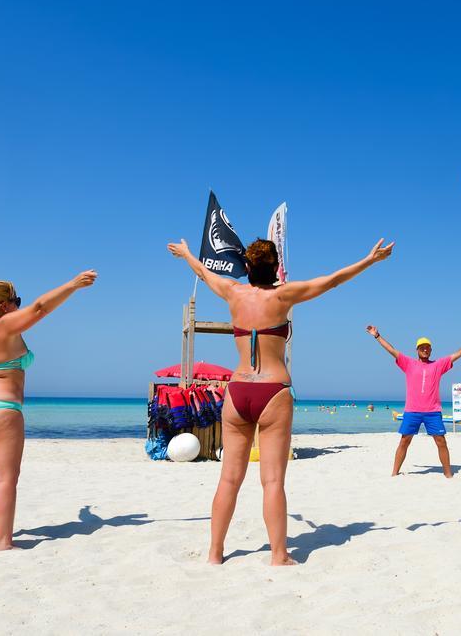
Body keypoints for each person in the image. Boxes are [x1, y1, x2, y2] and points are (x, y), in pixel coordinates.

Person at [168, 236, 393, 564]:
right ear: (275, 268)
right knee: (272, 480)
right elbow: (331, 281)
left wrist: (187, 252)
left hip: (238, 391)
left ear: (246, 267)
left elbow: (204, 274)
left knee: (229, 477)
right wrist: (369, 260)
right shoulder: (284, 294)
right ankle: (278, 555)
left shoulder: (233, 291)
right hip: (273, 392)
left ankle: (215, 553)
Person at [0, 271, 99, 550]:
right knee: (3, 480)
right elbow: (40, 308)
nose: (18, 306)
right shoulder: (6, 326)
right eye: (16, 301)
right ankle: (2, 544)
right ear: (3, 306)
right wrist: (72, 284)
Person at [364, 327, 461, 477]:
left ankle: (449, 475)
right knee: (404, 441)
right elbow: (392, 350)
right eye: (422, 348)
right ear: (417, 350)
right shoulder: (408, 363)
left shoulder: (438, 365)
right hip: (412, 411)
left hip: (432, 412)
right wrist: (377, 336)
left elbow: (457, 355)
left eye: (427, 348)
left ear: (431, 350)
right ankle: (394, 473)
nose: (425, 350)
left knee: (441, 441)